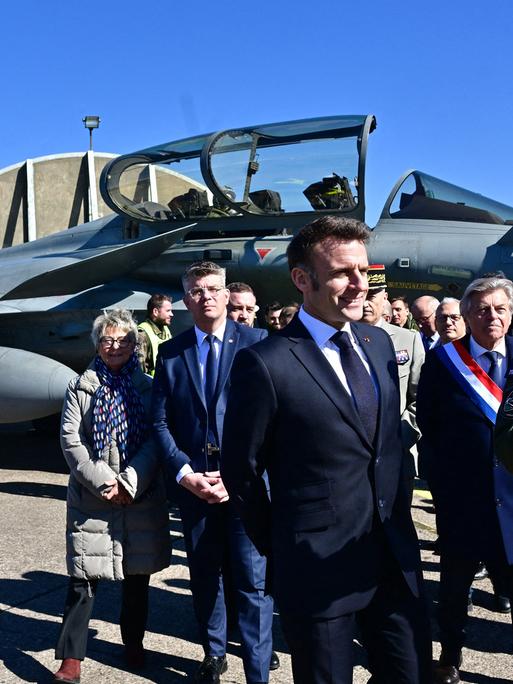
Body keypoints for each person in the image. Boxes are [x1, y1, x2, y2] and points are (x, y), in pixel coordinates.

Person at [221, 216, 432, 684]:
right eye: (342, 273)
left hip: (393, 557)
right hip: (316, 567)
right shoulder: (266, 363)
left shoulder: (377, 344)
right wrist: (283, 545)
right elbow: (242, 471)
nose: (361, 285)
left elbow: (385, 446)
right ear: (302, 279)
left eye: (364, 270)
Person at [152, 262, 275, 684]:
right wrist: (186, 474)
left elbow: (273, 419)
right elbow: (160, 422)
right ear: (186, 300)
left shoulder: (260, 344)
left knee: (252, 581)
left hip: (245, 487)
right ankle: (214, 654)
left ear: (227, 295)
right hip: (194, 487)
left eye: (214, 289)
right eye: (197, 291)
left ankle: (258, 670)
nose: (207, 296)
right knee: (206, 574)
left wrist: (239, 474)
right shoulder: (172, 352)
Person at [53, 309, 170, 684]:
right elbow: (72, 440)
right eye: (107, 339)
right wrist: (105, 482)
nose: (115, 346)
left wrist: (130, 482)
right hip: (92, 496)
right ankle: (71, 658)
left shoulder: (149, 388)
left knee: (137, 577)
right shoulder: (81, 386)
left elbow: (157, 437)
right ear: (97, 344)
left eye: (123, 340)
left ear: (135, 344)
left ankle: (132, 643)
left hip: (140, 494)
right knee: (83, 579)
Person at [417, 277, 513, 684]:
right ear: (467, 316)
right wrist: (445, 494)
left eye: (500, 308)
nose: (492, 316)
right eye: (482, 310)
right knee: (454, 590)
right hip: (464, 503)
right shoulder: (443, 363)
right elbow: (430, 431)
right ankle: (449, 658)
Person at [361, 264, 425, 492]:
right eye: (361, 294)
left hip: (396, 455)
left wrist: (400, 436)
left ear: (384, 297)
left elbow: (421, 399)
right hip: (350, 461)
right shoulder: (338, 339)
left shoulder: (408, 340)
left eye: (372, 295)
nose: (366, 302)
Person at [137, 294, 173, 376]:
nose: (171, 314)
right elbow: (140, 369)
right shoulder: (142, 334)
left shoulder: (166, 330)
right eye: (168, 311)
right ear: (155, 312)